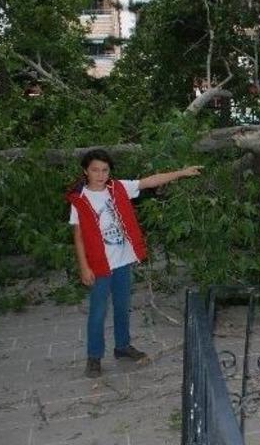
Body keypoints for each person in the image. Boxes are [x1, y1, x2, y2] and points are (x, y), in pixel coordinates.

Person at [66, 149, 202, 378]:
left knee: (122, 306)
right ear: (85, 171)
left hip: (122, 261)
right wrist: (84, 267)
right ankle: (94, 357)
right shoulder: (79, 200)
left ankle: (122, 347)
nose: (100, 175)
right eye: (95, 170)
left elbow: (150, 181)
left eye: (105, 170)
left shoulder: (118, 187)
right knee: (98, 312)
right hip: (100, 265)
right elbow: (78, 237)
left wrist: (182, 172)